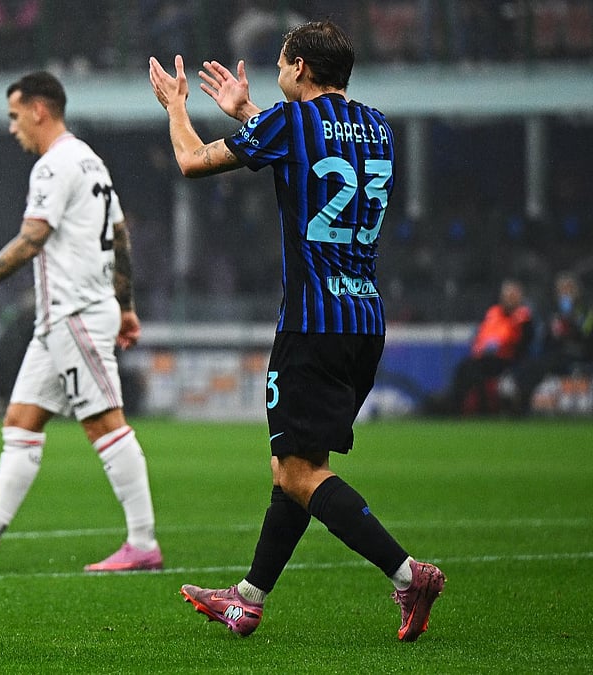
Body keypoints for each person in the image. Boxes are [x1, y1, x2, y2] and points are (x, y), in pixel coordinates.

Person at [149, 20, 444, 641]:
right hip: (364, 320)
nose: (275, 72)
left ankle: (406, 574)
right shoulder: (378, 127)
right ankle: (248, 598)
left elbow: (191, 160)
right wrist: (248, 110)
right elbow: (313, 143)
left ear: (300, 69)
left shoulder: (290, 123)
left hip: (312, 323)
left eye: (279, 64)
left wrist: (177, 107)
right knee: (298, 468)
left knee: (299, 472)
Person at [0, 71, 162, 573]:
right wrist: (126, 306)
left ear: (38, 109)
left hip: (74, 313)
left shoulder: (54, 166)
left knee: (105, 424)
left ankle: (142, 543)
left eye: (14, 115)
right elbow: (118, 234)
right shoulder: (90, 160)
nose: (13, 128)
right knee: (21, 421)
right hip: (61, 319)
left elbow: (33, 238)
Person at [434, 278, 533, 415]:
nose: (509, 299)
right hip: (486, 356)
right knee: (464, 367)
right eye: (507, 295)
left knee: (476, 371)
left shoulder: (523, 317)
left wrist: (502, 348)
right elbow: (482, 335)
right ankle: (455, 406)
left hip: (507, 358)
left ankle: (483, 408)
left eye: (513, 295)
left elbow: (522, 342)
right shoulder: (493, 313)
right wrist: (481, 349)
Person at [511, 272, 592, 413]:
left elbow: (586, 335)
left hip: (577, 352)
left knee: (545, 363)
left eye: (568, 289)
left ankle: (523, 404)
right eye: (561, 290)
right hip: (556, 352)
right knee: (530, 365)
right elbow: (546, 338)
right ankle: (520, 398)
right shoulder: (553, 313)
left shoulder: (585, 311)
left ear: (576, 291)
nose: (565, 293)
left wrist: (570, 322)